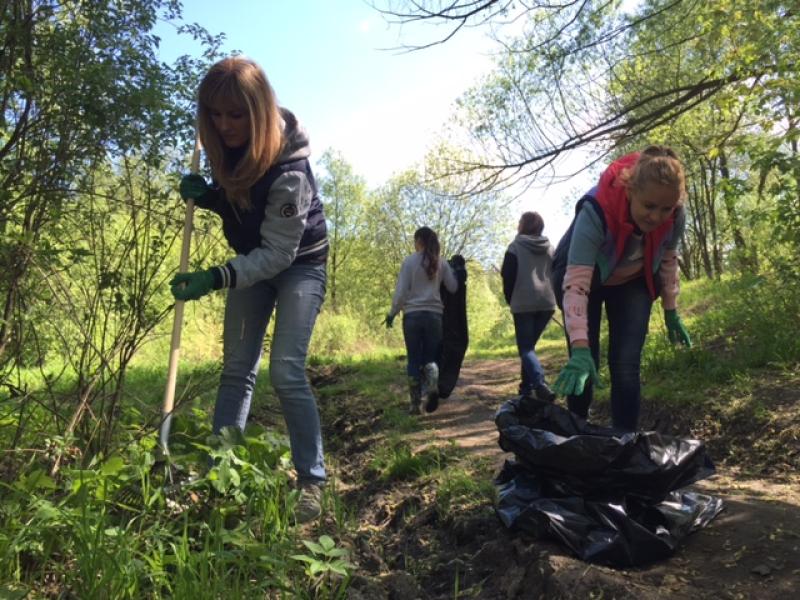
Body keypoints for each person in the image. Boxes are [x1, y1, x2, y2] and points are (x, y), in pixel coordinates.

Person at [172, 56, 329, 523]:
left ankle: (312, 479)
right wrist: (213, 198)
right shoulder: (224, 148)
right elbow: (243, 207)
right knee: (237, 367)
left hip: (298, 266)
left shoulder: (290, 171)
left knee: (285, 371)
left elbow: (278, 253)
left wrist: (213, 277)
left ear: (258, 111)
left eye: (236, 115)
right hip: (253, 261)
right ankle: (220, 468)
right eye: (215, 115)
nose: (224, 126)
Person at [552, 145, 692, 431]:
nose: (656, 216)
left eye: (666, 208)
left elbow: (667, 259)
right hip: (583, 274)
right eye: (649, 206)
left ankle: (625, 441)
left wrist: (671, 309)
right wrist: (579, 346)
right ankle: (576, 431)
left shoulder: (676, 216)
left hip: (632, 279)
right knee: (585, 361)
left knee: (626, 365)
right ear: (630, 192)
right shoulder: (596, 209)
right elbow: (576, 284)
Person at [386, 227, 458, 414]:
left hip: (412, 316)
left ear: (419, 240)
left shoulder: (409, 261)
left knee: (413, 359)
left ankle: (414, 405)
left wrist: (392, 313)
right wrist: (456, 270)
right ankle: (432, 386)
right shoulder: (441, 263)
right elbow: (453, 287)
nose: (414, 244)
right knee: (430, 358)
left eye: (414, 240)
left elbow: (401, 292)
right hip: (435, 316)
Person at [500, 211, 557, 402]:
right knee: (529, 347)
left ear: (524, 225)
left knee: (525, 348)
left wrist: (511, 299)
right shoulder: (550, 247)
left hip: (523, 301)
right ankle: (526, 389)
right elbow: (557, 272)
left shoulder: (515, 246)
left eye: (520, 222)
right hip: (547, 303)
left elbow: (507, 275)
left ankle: (540, 383)